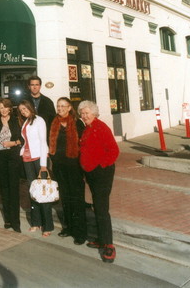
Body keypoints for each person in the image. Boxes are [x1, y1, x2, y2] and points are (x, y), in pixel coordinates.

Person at [78, 100, 120, 264]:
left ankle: (109, 245)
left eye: (87, 112)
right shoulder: (88, 128)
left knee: (102, 208)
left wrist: (100, 166)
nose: (84, 115)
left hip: (101, 174)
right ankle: (101, 239)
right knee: (97, 206)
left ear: (94, 113)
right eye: (82, 113)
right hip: (92, 174)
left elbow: (114, 151)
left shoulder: (101, 127)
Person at [49, 97, 87, 245]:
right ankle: (69, 228)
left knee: (76, 199)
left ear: (70, 107)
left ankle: (80, 233)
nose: (60, 109)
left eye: (63, 106)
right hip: (59, 167)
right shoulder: (54, 122)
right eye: (58, 106)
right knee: (65, 198)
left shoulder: (77, 123)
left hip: (74, 167)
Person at [18, 99, 53, 237]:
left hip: (39, 159)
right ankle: (35, 222)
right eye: (21, 110)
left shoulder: (39, 120)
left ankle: (48, 225)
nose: (23, 112)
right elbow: (26, 141)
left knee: (43, 192)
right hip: (27, 159)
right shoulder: (26, 122)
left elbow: (43, 142)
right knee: (33, 191)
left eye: (25, 109)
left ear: (30, 107)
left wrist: (44, 165)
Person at [0, 98, 23, 233]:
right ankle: (8, 220)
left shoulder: (16, 120)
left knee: (13, 188)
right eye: (1, 108)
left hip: (13, 158)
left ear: (10, 108)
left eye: (5, 107)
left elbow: (22, 139)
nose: (4, 110)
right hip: (1, 158)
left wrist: (13, 143)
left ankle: (16, 222)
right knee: (4, 188)